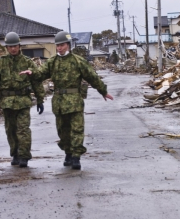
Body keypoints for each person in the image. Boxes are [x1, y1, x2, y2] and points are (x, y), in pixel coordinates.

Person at [20, 31, 113, 170]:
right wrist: (32, 73)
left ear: (68, 45)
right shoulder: (52, 62)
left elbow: (92, 77)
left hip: (74, 101)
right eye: (57, 45)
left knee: (77, 129)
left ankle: (76, 156)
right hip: (59, 102)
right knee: (62, 131)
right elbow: (41, 74)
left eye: (62, 45)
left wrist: (103, 91)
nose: (59, 48)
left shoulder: (77, 61)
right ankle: (68, 152)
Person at [0, 32, 45, 168]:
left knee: (23, 129)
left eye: (15, 46)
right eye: (10, 47)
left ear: (19, 46)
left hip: (23, 101)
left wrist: (40, 99)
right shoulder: (1, 63)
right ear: (7, 48)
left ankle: (24, 156)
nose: (13, 49)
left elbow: (36, 80)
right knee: (10, 130)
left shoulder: (27, 62)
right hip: (7, 102)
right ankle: (15, 153)